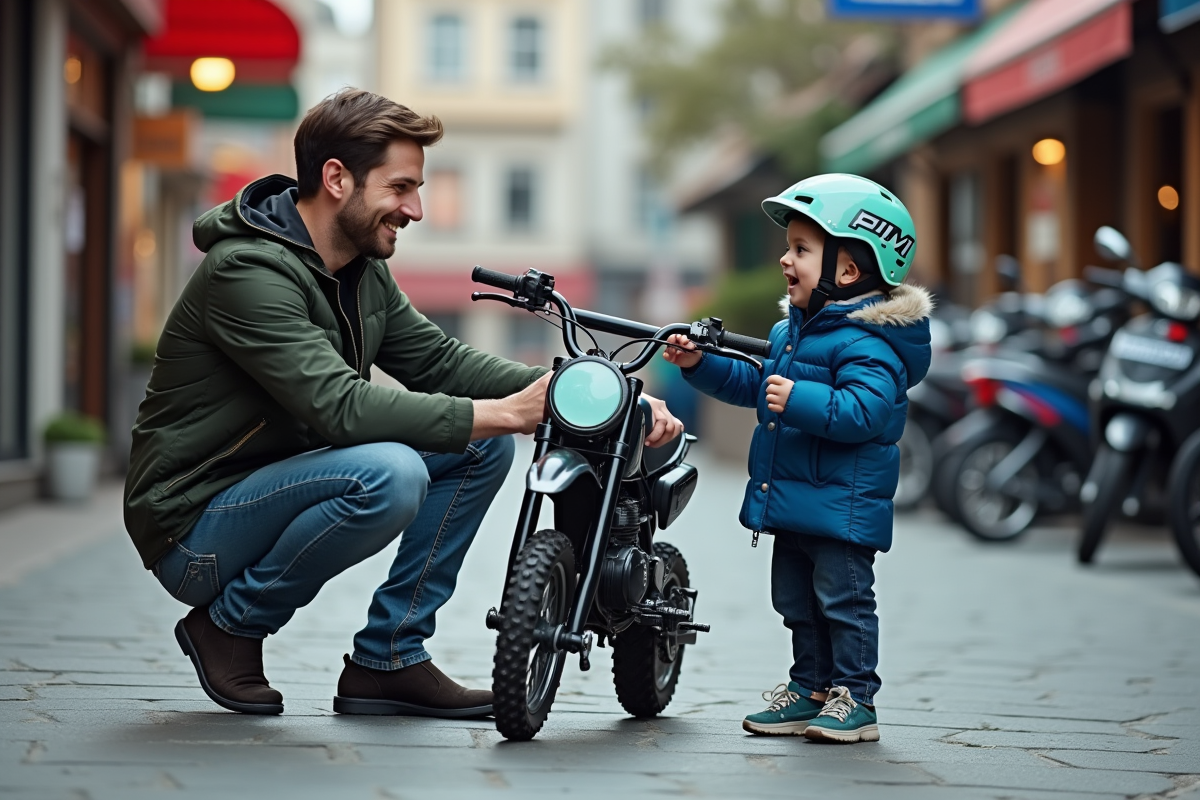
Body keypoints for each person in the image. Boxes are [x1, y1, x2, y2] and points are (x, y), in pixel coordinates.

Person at [124, 89, 682, 719]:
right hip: (193, 529)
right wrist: (505, 412)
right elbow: (336, 406)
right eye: (400, 187)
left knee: (480, 446)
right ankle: (229, 626)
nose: (415, 208)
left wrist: (596, 397)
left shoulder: (360, 271)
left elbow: (441, 363)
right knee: (391, 475)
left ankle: (388, 659)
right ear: (336, 178)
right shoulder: (245, 274)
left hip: (271, 487)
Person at [663, 174, 932, 743]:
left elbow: (866, 412)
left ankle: (856, 700)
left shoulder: (869, 343)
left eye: (802, 250)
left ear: (849, 270)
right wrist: (698, 365)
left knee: (844, 602)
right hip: (796, 501)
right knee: (796, 603)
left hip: (843, 508)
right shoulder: (792, 331)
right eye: (790, 248)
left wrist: (800, 398)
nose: (786, 260)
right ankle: (809, 690)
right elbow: (755, 385)